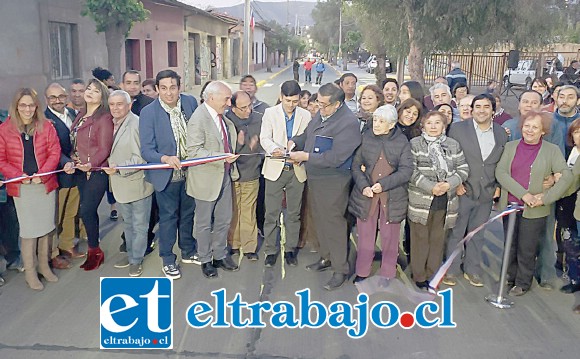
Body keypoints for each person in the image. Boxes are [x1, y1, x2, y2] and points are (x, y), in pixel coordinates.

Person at [289, 83, 362, 290]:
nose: (319, 108)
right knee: (320, 221)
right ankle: (326, 256)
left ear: (337, 104)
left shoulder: (348, 123)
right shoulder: (323, 115)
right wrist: (295, 142)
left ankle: (340, 269)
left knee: (334, 225)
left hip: (334, 181)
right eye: (318, 103)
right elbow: (309, 135)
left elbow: (337, 157)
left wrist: (306, 156)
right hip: (316, 178)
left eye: (323, 105)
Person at [495, 110, 571, 296]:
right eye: (527, 126)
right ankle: (509, 276)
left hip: (535, 210)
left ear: (542, 131)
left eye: (535, 127)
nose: (530, 130)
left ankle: (522, 282)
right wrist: (524, 195)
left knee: (527, 247)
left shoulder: (551, 150)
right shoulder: (511, 146)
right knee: (510, 244)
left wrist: (545, 198)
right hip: (512, 205)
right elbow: (501, 173)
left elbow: (566, 176)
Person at [443, 94, 509, 287]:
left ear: (493, 110)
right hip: (462, 189)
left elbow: (502, 162)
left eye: (486, 107)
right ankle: (451, 269)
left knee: (477, 233)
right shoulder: (457, 129)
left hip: (487, 192)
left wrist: (498, 186)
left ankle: (472, 269)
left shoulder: (501, 133)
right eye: (477, 106)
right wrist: (456, 183)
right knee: (457, 232)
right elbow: (449, 158)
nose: (481, 110)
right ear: (471, 110)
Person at [140, 70, 199, 279]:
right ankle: (167, 258)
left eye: (172, 87)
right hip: (166, 176)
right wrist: (165, 158)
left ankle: (188, 250)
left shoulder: (191, 103)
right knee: (168, 218)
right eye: (163, 88)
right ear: (156, 89)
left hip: (191, 173)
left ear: (179, 87)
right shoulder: (149, 113)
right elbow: (146, 150)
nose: (168, 93)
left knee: (188, 214)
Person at [0, 88, 61, 290]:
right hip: (22, 188)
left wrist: (42, 174)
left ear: (37, 106)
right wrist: (19, 176)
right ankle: (31, 272)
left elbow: (55, 152)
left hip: (44, 184)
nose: (28, 109)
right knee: (28, 232)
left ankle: (44, 266)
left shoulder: (46, 126)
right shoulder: (5, 129)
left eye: (31, 105)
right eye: (23, 105)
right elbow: (2, 160)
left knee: (46, 228)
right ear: (16, 107)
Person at [349, 105, 413, 283]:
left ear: (392, 124)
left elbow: (406, 170)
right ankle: (362, 271)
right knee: (365, 236)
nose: (376, 124)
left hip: (392, 196)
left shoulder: (402, 142)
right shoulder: (366, 137)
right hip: (366, 195)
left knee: (390, 238)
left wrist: (383, 185)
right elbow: (356, 165)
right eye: (375, 120)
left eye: (381, 121)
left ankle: (387, 273)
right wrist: (363, 186)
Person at [408, 111, 469, 290]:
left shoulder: (452, 144)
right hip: (422, 200)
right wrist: (431, 187)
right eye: (429, 123)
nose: (433, 126)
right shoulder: (415, 144)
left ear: (444, 126)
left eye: (437, 123)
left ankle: (432, 274)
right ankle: (419, 275)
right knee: (420, 239)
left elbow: (463, 168)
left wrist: (449, 184)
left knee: (437, 240)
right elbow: (411, 170)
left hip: (445, 200)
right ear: (423, 126)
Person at [186, 81, 240, 279]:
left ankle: (220, 255)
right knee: (203, 223)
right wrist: (221, 156)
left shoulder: (221, 117)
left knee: (224, 220)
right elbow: (193, 151)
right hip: (205, 179)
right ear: (211, 98)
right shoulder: (198, 118)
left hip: (224, 175)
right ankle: (205, 259)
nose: (229, 102)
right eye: (225, 98)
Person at [64, 79, 113, 271]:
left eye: (96, 90)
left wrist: (91, 164)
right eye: (89, 89)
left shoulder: (104, 118)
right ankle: (95, 247)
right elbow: (75, 142)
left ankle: (95, 251)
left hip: (96, 171)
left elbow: (104, 148)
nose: (90, 92)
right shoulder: (81, 115)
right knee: (87, 211)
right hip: (79, 170)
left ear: (103, 97)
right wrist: (71, 158)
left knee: (87, 210)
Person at [260, 81, 311, 267]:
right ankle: (270, 250)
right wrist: (274, 149)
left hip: (297, 170)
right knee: (271, 213)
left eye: (295, 101)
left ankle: (290, 249)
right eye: (288, 100)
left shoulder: (306, 115)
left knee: (294, 213)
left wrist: (300, 154)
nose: (291, 104)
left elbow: (308, 139)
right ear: (281, 96)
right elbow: (264, 137)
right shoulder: (270, 113)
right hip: (275, 168)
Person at [104, 90, 154, 277]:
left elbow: (141, 158)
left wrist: (118, 168)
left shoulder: (136, 124)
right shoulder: (111, 124)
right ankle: (132, 254)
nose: (116, 108)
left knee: (140, 225)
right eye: (112, 104)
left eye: (120, 104)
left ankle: (136, 261)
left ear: (129, 105)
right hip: (120, 185)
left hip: (137, 182)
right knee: (128, 224)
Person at [43, 83, 84, 269]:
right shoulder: (44, 120)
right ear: (46, 99)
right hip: (59, 173)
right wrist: (66, 161)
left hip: (75, 172)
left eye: (60, 96)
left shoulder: (73, 114)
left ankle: (67, 245)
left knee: (71, 212)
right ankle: (51, 254)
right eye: (53, 97)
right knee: (55, 216)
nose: (57, 100)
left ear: (66, 97)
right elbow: (51, 148)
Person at [226, 90, 263, 261]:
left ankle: (249, 246)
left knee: (248, 210)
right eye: (243, 108)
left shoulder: (259, 118)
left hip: (251, 171)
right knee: (234, 209)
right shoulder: (226, 121)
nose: (248, 110)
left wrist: (256, 146)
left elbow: (265, 143)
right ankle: (233, 243)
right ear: (233, 108)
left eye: (250, 105)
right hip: (232, 173)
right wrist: (240, 144)